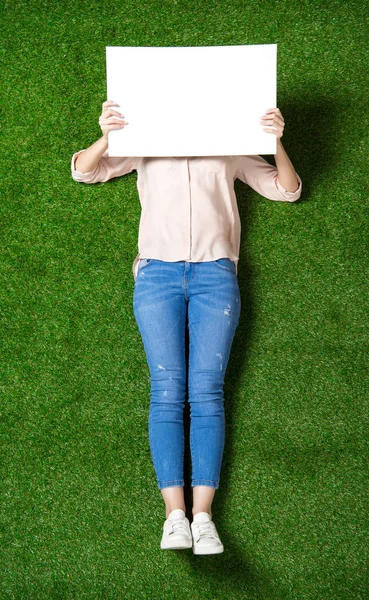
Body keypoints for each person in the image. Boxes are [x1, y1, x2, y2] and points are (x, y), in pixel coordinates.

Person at [71, 100, 302, 555]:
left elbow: (286, 189)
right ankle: (173, 517)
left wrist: (275, 142)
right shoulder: (147, 145)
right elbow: (84, 170)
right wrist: (109, 134)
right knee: (167, 390)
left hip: (216, 274)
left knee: (208, 392)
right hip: (157, 274)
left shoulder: (227, 148)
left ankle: (203, 518)